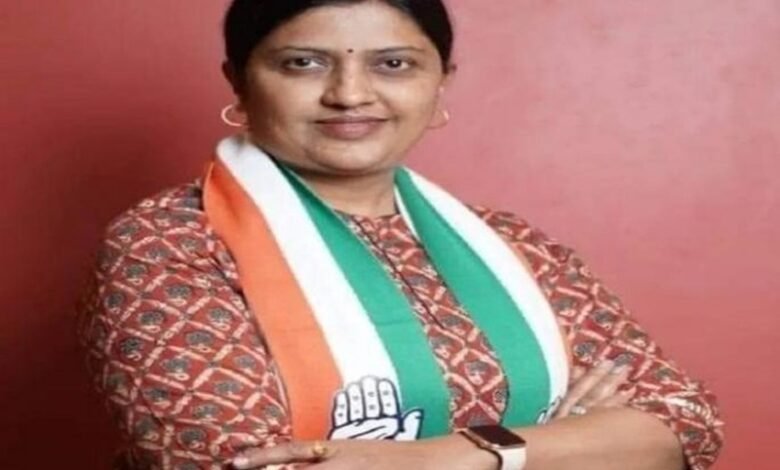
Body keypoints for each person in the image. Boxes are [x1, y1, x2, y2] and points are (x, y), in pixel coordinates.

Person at [77, 1, 724, 469]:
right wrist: (561, 442)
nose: (350, 94)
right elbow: (241, 465)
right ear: (241, 82)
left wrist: (438, 457)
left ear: (440, 83)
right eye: (303, 63)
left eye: (393, 63)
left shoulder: (511, 246)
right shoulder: (171, 244)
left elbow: (682, 422)